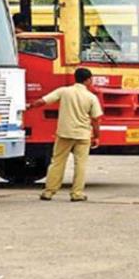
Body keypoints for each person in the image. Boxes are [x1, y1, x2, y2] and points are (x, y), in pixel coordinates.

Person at [27, 68, 103, 202]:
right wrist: (96, 136)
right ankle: (77, 193)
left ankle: (49, 192)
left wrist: (29, 106)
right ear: (88, 80)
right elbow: (96, 119)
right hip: (83, 135)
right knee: (80, 164)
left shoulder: (64, 91)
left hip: (64, 133)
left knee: (57, 162)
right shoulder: (91, 97)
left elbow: (42, 101)